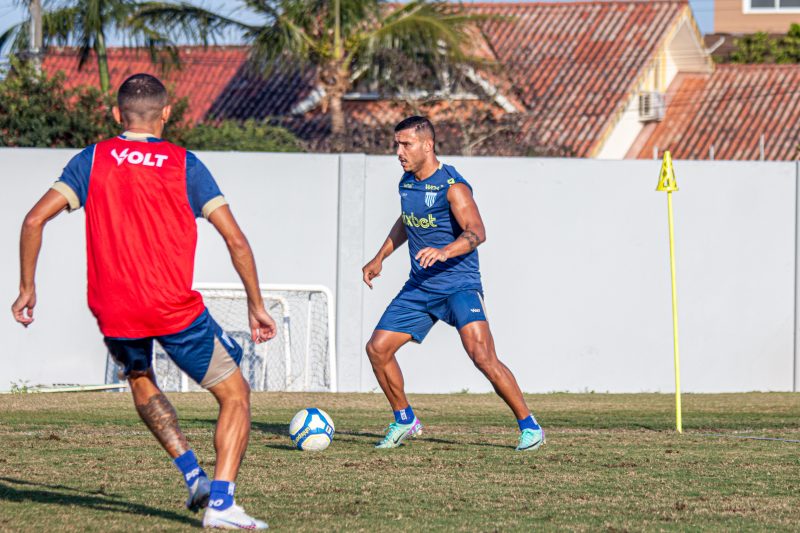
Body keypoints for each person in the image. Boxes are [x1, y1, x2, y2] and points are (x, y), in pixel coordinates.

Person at [11, 73, 273, 529]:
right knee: (235, 395)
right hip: (171, 306)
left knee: (139, 375)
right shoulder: (184, 163)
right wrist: (255, 303)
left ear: (117, 114)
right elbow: (236, 240)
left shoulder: (92, 159)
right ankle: (222, 503)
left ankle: (192, 475)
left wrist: (27, 287)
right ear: (166, 113)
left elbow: (34, 220)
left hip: (112, 307)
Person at [362, 116, 545, 452]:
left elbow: (477, 232)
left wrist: (445, 251)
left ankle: (529, 426)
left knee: (482, 356)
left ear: (427, 145)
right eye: (396, 144)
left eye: (406, 144)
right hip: (420, 287)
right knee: (377, 349)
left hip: (459, 286)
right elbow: (407, 221)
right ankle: (404, 419)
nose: (398, 151)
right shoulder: (407, 183)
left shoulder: (453, 187)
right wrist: (380, 257)